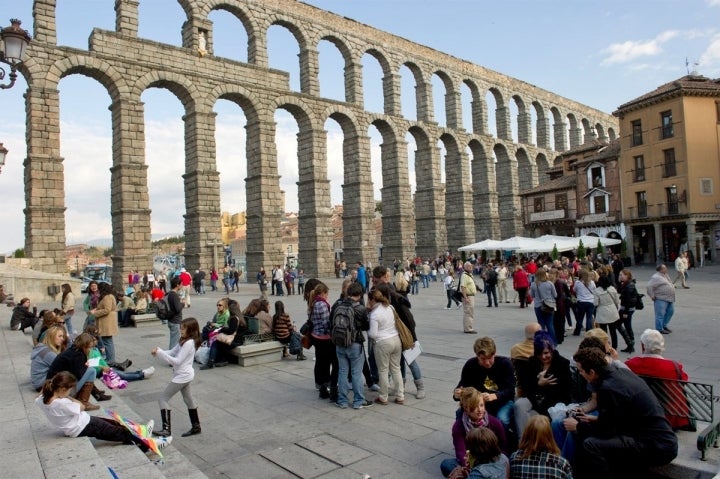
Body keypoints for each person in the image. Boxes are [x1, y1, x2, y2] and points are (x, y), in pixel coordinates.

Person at [567, 347, 677, 478]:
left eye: (580, 371)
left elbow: (606, 432)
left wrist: (578, 426)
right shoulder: (622, 373)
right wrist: (595, 420)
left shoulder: (607, 388)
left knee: (591, 444)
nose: (580, 374)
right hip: (662, 441)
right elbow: (622, 419)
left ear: (591, 372)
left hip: (655, 446)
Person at [36, 371, 170, 453]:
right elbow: (81, 406)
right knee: (117, 432)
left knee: (115, 424)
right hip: (82, 426)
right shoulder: (62, 403)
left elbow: (39, 397)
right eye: (70, 390)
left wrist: (63, 395)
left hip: (82, 423)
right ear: (63, 389)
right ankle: (149, 444)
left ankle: (143, 430)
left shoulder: (43, 400)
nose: (71, 392)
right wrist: (69, 398)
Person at [625, 329, 695, 431]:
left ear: (643, 346)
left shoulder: (632, 364)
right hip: (669, 416)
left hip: (640, 415)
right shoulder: (674, 367)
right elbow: (684, 381)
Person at [440, 387, 508, 477]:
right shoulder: (459, 426)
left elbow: (503, 447)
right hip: (472, 460)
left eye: (481, 405)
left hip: (492, 460)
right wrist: (468, 466)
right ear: (466, 408)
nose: (479, 410)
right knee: (446, 464)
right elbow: (461, 452)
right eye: (475, 407)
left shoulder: (494, 422)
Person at [513, 331, 572, 436]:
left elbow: (565, 391)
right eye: (540, 354)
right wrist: (538, 383)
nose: (543, 357)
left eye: (546, 353)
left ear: (552, 350)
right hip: (534, 398)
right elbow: (526, 386)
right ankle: (523, 441)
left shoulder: (562, 363)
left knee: (536, 418)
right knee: (519, 405)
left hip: (552, 403)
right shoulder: (532, 361)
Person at [152, 317, 202, 438]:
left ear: (191, 329)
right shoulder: (184, 340)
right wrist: (159, 351)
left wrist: (160, 353)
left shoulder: (189, 343)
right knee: (188, 399)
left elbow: (177, 361)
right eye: (181, 327)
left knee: (162, 399)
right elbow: (172, 352)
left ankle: (166, 430)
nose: (181, 330)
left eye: (183, 328)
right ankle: (196, 427)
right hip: (185, 374)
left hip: (182, 376)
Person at [453, 337, 515, 434]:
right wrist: (457, 394)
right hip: (479, 403)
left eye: (490, 358)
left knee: (502, 418)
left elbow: (510, 391)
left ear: (494, 353)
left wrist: (494, 396)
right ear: (477, 356)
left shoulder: (505, 364)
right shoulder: (471, 365)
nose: (487, 362)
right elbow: (463, 386)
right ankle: (466, 440)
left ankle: (504, 443)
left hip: (503, 402)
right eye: (482, 359)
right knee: (460, 413)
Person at [333, 282, 373, 409]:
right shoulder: (359, 308)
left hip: (339, 343)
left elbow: (331, 323)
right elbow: (366, 326)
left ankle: (342, 400)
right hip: (355, 343)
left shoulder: (337, 305)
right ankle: (358, 401)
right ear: (360, 295)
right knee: (356, 373)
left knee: (343, 372)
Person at [46, 333, 104, 411]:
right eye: (90, 347)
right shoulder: (78, 356)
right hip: (60, 390)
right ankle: (83, 401)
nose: (91, 350)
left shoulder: (72, 350)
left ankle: (84, 398)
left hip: (53, 387)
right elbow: (78, 375)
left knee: (89, 370)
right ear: (84, 346)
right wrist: (87, 364)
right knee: (92, 371)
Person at [367, 286, 404, 405]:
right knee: (396, 368)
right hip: (396, 340)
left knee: (383, 370)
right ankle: (400, 396)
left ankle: (383, 397)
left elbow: (372, 334)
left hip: (383, 343)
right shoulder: (390, 307)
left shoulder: (375, 314)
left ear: (372, 300)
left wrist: (366, 330)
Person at [308, 282, 338, 401]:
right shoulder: (322, 304)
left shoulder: (314, 302)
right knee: (327, 363)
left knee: (320, 361)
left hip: (315, 336)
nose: (327, 296)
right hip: (324, 338)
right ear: (323, 293)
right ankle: (325, 388)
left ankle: (320, 384)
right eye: (327, 294)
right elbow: (326, 323)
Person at [90, 282, 125, 368]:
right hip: (107, 322)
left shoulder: (107, 297)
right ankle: (110, 359)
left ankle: (110, 360)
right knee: (107, 341)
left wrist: (95, 313)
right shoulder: (108, 296)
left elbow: (107, 310)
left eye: (99, 288)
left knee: (107, 342)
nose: (98, 290)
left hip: (107, 322)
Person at [593, 275, 632, 352]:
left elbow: (595, 303)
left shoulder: (597, 291)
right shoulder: (612, 289)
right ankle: (614, 347)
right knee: (613, 331)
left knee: (603, 332)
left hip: (602, 311)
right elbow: (617, 301)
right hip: (612, 311)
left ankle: (605, 347)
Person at [201, 299, 242, 369]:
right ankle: (217, 360)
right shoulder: (236, 317)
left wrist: (222, 329)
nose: (228, 310)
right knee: (213, 339)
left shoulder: (234, 318)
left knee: (216, 342)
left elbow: (231, 331)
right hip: (235, 339)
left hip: (235, 341)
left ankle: (211, 362)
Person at [31, 325, 68, 391]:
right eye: (59, 336)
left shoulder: (43, 348)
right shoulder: (48, 353)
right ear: (52, 337)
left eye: (63, 336)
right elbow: (64, 368)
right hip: (41, 385)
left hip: (38, 382)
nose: (62, 339)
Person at [528, 269, 557, 343]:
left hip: (538, 305)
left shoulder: (534, 284)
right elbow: (555, 295)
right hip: (549, 305)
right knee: (550, 324)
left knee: (541, 324)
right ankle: (553, 342)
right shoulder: (549, 283)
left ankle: (542, 341)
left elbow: (532, 295)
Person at [647, 264, 676, 334]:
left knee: (670, 311)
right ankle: (659, 328)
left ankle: (664, 324)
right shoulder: (656, 277)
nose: (666, 269)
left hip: (669, 298)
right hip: (661, 298)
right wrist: (652, 295)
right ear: (660, 269)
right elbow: (649, 286)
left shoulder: (665, 275)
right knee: (660, 314)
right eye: (664, 268)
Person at [617, 268, 638, 353]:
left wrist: (625, 312)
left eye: (621, 275)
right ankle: (630, 344)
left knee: (623, 325)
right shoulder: (625, 283)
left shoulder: (629, 285)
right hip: (626, 308)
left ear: (627, 275)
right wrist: (619, 282)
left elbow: (628, 299)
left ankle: (630, 344)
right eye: (619, 275)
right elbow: (619, 291)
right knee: (625, 325)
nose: (620, 276)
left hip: (627, 309)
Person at [572, 269, 596, 336]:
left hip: (581, 302)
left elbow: (574, 290)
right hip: (591, 301)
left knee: (580, 317)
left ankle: (577, 331)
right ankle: (589, 332)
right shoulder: (591, 282)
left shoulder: (578, 282)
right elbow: (594, 290)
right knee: (589, 317)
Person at [165, 276, 184, 349]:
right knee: (174, 341)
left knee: (175, 339)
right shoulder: (174, 295)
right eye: (181, 284)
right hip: (175, 321)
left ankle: (174, 356)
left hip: (171, 320)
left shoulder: (169, 293)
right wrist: (182, 303)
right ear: (177, 285)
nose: (182, 286)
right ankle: (171, 357)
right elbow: (178, 309)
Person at [460, 262, 478, 333]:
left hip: (470, 296)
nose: (471, 268)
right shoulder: (465, 275)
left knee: (470, 312)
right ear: (466, 267)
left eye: (471, 267)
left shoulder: (469, 275)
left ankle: (468, 327)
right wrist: (465, 297)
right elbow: (463, 286)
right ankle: (468, 329)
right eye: (470, 267)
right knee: (468, 312)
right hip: (468, 296)